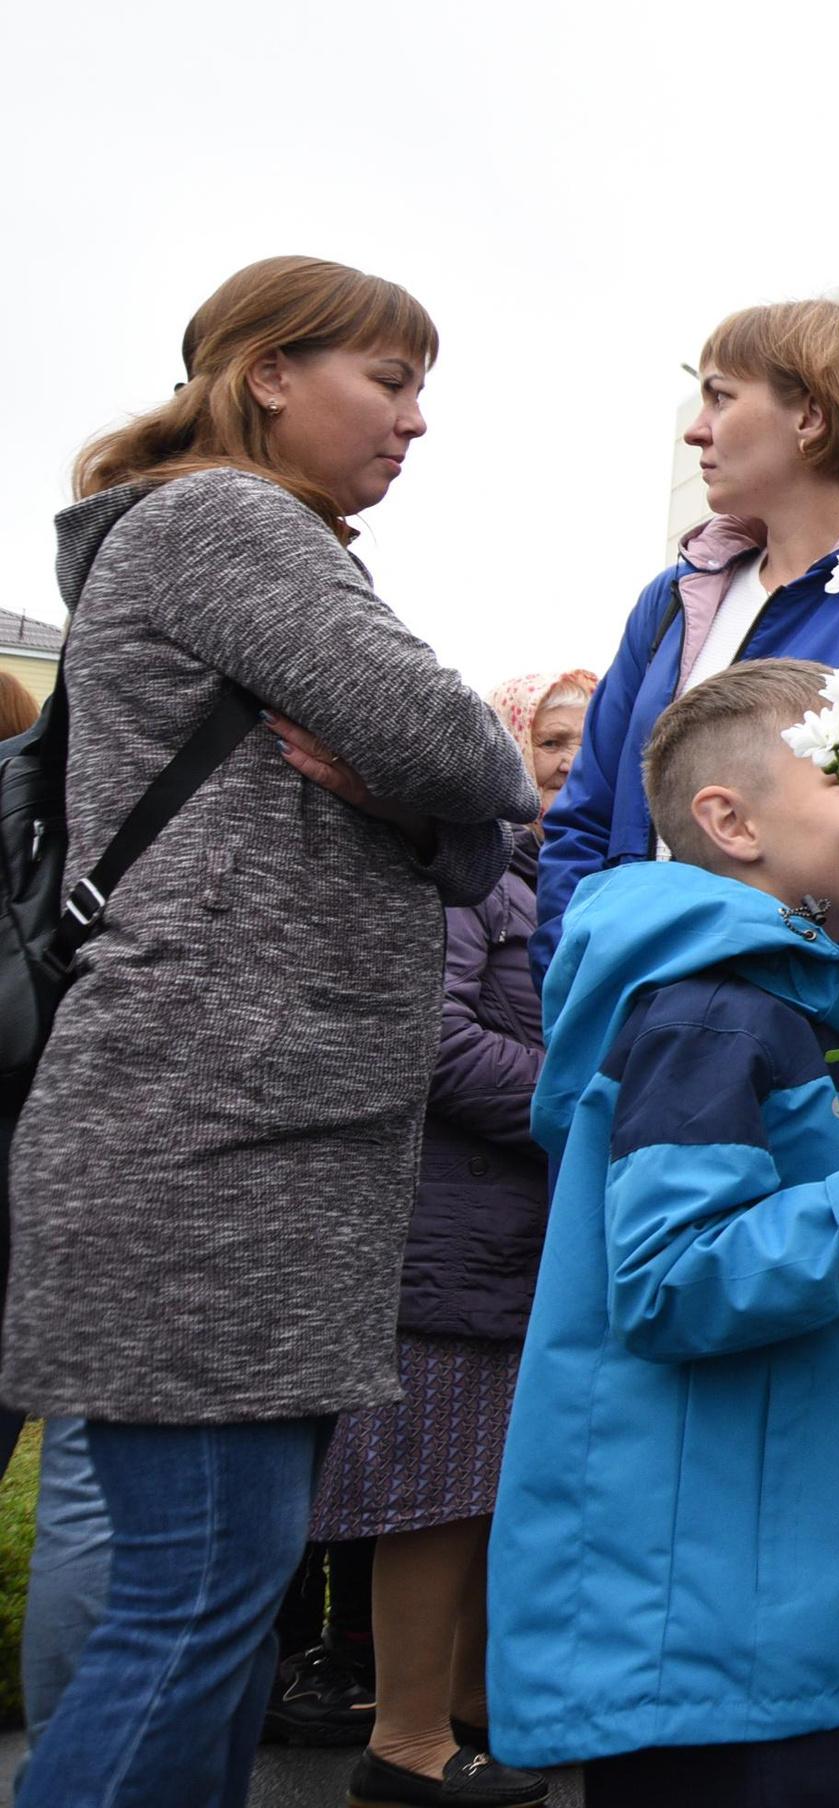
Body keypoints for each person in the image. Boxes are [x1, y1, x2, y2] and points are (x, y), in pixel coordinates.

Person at [8, 257, 536, 1807]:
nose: (417, 421)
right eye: (390, 380)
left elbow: (465, 826)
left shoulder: (227, 540)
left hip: (243, 1139)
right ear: (267, 376)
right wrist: (440, 789)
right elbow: (470, 753)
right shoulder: (228, 522)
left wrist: (417, 805)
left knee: (215, 1619)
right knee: (190, 1618)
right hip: (217, 1143)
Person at [484, 659, 839, 1800]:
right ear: (730, 820)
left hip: (753, 1592)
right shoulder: (714, 1010)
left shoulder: (764, 996)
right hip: (718, 1625)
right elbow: (670, 1281)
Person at [305, 668, 594, 1808]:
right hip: (454, 1232)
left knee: (492, 1491)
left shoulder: (568, 885)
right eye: (555, 739)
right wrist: (583, 1104)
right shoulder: (476, 877)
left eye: (594, 740)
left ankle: (473, 1714)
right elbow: (435, 1040)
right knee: (429, 1493)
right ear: (520, 750)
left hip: (529, 1240)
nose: (573, 760)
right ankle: (405, 1739)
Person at [535, 297, 839, 975]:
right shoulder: (671, 602)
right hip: (627, 1024)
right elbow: (586, 818)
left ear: (809, 416)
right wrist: (579, 982)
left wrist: (771, 1008)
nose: (696, 431)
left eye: (720, 398)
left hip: (797, 1045)